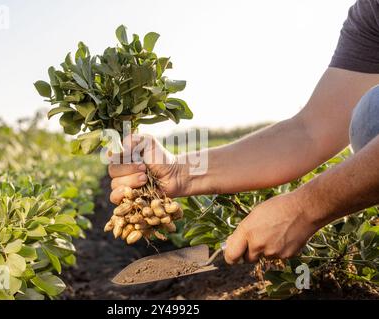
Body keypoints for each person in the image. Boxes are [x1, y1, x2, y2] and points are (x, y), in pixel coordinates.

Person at [107, 0, 379, 264]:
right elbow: (311, 130)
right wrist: (182, 172)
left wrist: (305, 208)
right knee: (370, 115)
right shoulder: (369, 11)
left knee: (372, 110)